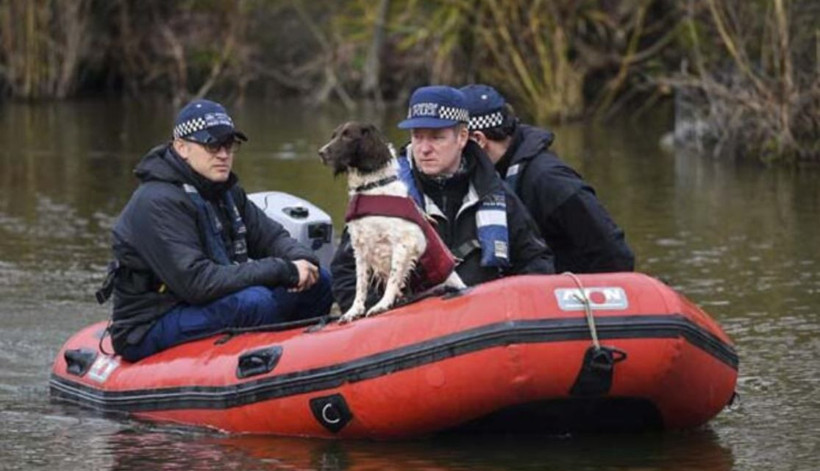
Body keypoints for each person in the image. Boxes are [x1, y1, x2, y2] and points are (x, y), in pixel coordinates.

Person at [98, 98, 333, 361]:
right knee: (254, 303)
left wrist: (303, 260)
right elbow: (198, 283)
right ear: (181, 147)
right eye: (212, 145)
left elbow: (272, 237)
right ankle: (259, 372)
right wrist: (284, 270)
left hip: (203, 303)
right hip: (151, 323)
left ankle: (304, 364)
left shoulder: (227, 191)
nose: (223, 154)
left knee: (320, 281)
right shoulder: (157, 202)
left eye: (229, 145)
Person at [331, 85, 554, 312]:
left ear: (463, 137)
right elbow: (345, 272)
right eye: (418, 137)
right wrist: (382, 316)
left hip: (484, 317)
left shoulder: (496, 193)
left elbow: (535, 261)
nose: (424, 149)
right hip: (405, 322)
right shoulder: (381, 196)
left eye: (437, 138)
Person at [460, 84, 635, 274]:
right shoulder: (485, 178)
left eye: (455, 141)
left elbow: (614, 253)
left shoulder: (549, 181)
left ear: (478, 140)